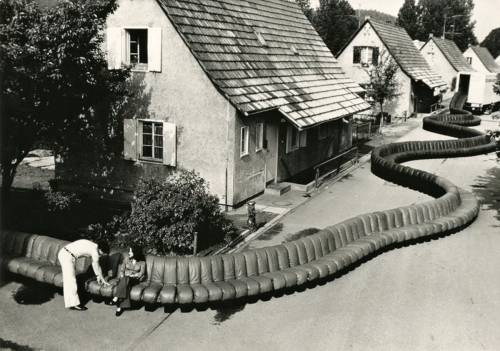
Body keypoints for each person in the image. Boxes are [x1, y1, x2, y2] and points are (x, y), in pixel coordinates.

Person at [57, 239, 110, 311]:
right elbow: (97, 266)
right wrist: (102, 279)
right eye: (102, 253)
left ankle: (72, 302)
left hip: (65, 253)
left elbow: (95, 266)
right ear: (100, 249)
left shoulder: (93, 246)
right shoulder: (95, 252)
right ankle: (74, 304)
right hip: (66, 256)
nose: (101, 255)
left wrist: (98, 276)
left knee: (70, 279)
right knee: (70, 280)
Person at [108, 245, 146, 316]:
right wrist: (122, 274)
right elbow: (122, 269)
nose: (129, 253)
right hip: (124, 278)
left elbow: (141, 274)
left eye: (130, 252)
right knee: (126, 284)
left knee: (126, 279)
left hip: (134, 279)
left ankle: (116, 299)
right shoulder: (127, 259)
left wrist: (132, 275)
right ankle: (119, 307)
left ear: (135, 253)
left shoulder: (142, 263)